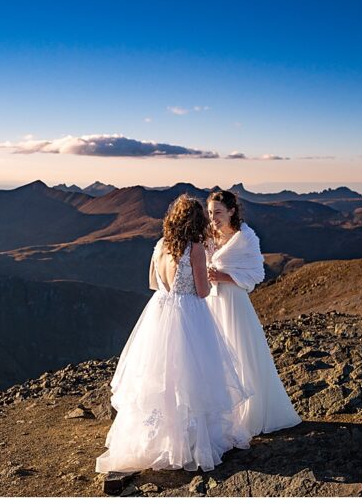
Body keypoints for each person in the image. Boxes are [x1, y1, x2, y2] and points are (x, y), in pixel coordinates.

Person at [96, 194, 252, 474]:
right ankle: (190, 442)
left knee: (160, 375)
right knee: (191, 377)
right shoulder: (195, 249)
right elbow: (202, 291)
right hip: (189, 313)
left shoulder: (160, 246)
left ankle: (159, 439)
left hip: (159, 311)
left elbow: (154, 283)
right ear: (196, 221)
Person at [205, 189, 302, 440]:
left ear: (231, 211)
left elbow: (257, 274)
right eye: (210, 213)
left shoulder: (246, 238)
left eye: (218, 212)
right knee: (215, 356)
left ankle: (249, 414)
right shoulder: (208, 236)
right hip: (211, 303)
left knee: (241, 353)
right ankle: (223, 415)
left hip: (234, 303)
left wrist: (223, 276)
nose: (213, 218)